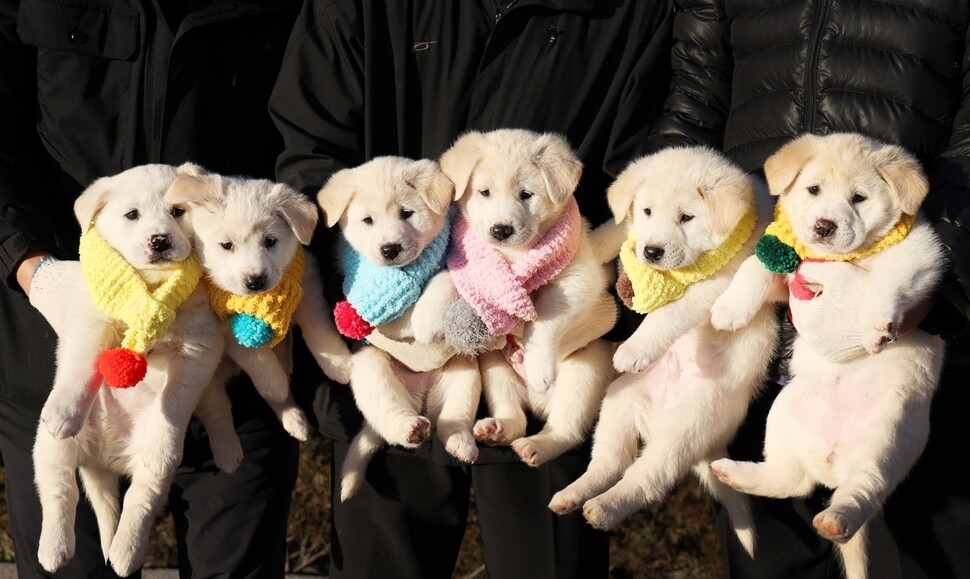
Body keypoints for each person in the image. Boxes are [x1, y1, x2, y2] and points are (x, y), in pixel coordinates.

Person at [268, 1, 675, 577]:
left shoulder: (630, 13)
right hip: (399, 360)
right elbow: (310, 159)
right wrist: (369, 301)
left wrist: (598, 305)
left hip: (545, 365)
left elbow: (644, 176)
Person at [639, 2, 970, 577]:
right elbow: (692, 102)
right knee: (773, 548)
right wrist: (649, 249)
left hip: (908, 315)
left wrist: (935, 281)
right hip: (755, 322)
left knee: (913, 543)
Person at [0, 1, 304, 577]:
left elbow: (312, 138)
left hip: (237, 368)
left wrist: (285, 287)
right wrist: (30, 267)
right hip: (56, 353)